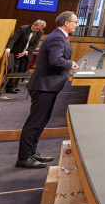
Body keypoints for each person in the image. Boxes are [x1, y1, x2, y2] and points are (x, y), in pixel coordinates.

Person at [16, 12, 78, 168]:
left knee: (41, 121)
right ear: (66, 23)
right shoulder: (57, 37)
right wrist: (70, 64)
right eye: (75, 22)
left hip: (48, 85)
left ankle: (32, 152)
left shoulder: (60, 36)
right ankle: (24, 157)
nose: (76, 25)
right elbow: (56, 60)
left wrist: (69, 64)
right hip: (44, 85)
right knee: (35, 122)